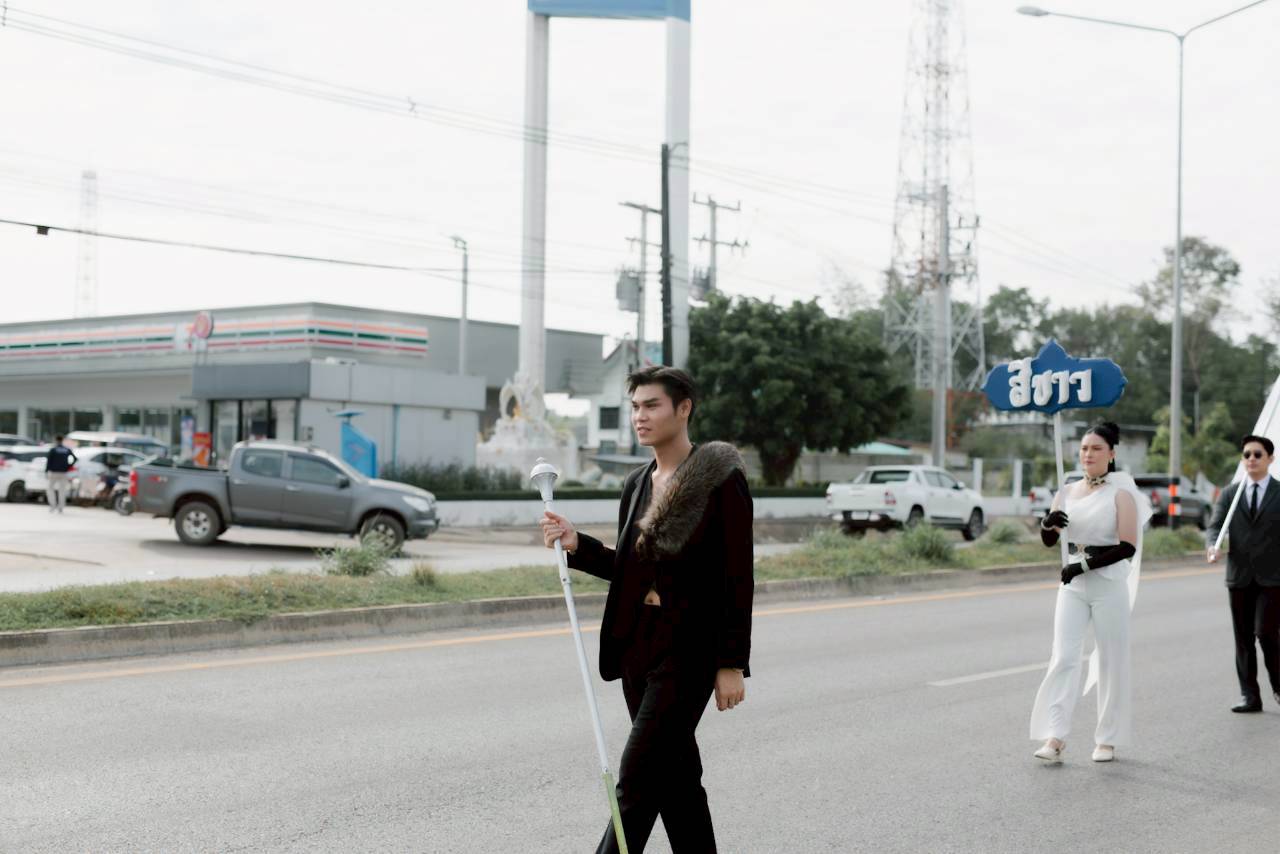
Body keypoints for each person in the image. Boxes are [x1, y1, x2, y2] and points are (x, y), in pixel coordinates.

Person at [540, 366, 753, 854]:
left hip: (689, 648)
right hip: (638, 645)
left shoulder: (720, 480)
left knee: (635, 784)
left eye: (652, 405)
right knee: (677, 785)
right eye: (635, 406)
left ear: (684, 408)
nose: (640, 416)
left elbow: (738, 575)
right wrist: (577, 544)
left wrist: (731, 662)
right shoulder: (637, 483)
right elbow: (629, 570)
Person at [1029, 422, 1152, 764]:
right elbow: (1051, 541)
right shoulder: (1065, 492)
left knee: (1110, 659)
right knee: (1064, 657)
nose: (1088, 454)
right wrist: (1047, 524)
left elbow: (1127, 546)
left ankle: (1107, 739)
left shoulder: (1120, 494)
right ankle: (1055, 736)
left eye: (1096, 448)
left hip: (1108, 584)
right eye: (1084, 448)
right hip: (1072, 586)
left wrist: (1082, 566)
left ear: (1111, 454)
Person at [1206, 435, 1280, 714]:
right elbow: (1215, 527)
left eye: (1257, 454)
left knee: (1267, 633)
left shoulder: (1279, 491)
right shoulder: (1230, 493)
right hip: (1239, 577)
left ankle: (1279, 686)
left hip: (1273, 578)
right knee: (1243, 638)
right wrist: (1212, 545)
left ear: (1270, 459)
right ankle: (1250, 695)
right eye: (1247, 454)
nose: (1251, 459)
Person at [44, 435, 77, 514]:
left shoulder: (53, 449)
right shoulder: (66, 449)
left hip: (53, 472)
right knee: (62, 490)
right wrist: (68, 466)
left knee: (50, 489)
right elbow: (75, 459)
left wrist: (46, 471)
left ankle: (53, 505)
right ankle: (60, 507)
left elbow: (49, 461)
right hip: (63, 472)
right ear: (62, 440)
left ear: (56, 440)